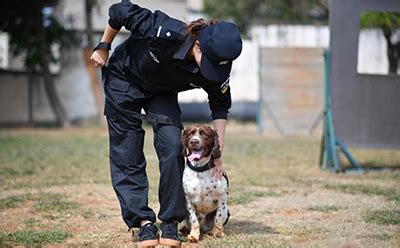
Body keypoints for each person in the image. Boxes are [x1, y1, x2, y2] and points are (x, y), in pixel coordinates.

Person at [90, 1, 242, 247]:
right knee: (126, 150)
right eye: (209, 65)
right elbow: (120, 10)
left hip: (162, 91)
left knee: (173, 145)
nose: (210, 72)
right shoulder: (164, 30)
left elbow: (220, 104)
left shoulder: (220, 62)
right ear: (198, 44)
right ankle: (142, 222)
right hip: (124, 77)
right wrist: (104, 45)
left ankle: (171, 219)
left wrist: (217, 153)